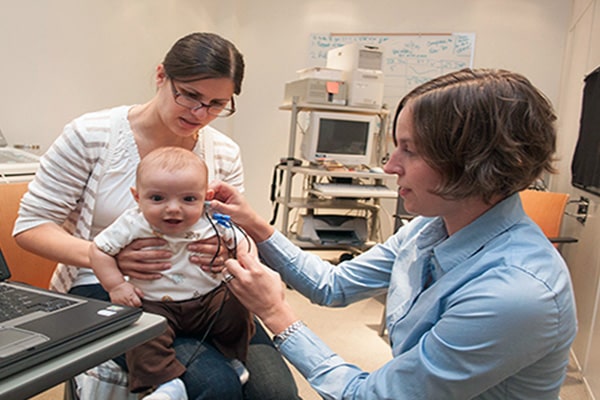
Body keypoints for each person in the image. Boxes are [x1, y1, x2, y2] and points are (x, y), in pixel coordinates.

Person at [211, 68, 578, 399]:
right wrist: (254, 224)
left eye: (410, 151)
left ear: (473, 163)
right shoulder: (431, 228)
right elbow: (333, 285)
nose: (389, 166)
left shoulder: (515, 294)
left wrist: (275, 311)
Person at [13, 32, 299, 400]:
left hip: (205, 291)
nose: (200, 114)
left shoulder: (224, 152)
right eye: (190, 96)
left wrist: (227, 253)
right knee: (216, 384)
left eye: (216, 104)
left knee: (276, 392)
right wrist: (108, 258)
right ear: (162, 76)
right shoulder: (92, 136)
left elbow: (233, 228)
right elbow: (31, 227)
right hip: (113, 289)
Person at [90, 147, 254, 399]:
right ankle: (166, 383)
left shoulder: (211, 219)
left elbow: (242, 240)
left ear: (206, 197)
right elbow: (99, 250)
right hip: (155, 303)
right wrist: (116, 286)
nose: (173, 209)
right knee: (141, 335)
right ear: (137, 197)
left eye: (188, 199)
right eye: (157, 198)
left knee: (238, 309)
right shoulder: (132, 223)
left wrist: (242, 259)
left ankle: (231, 356)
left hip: (209, 299)